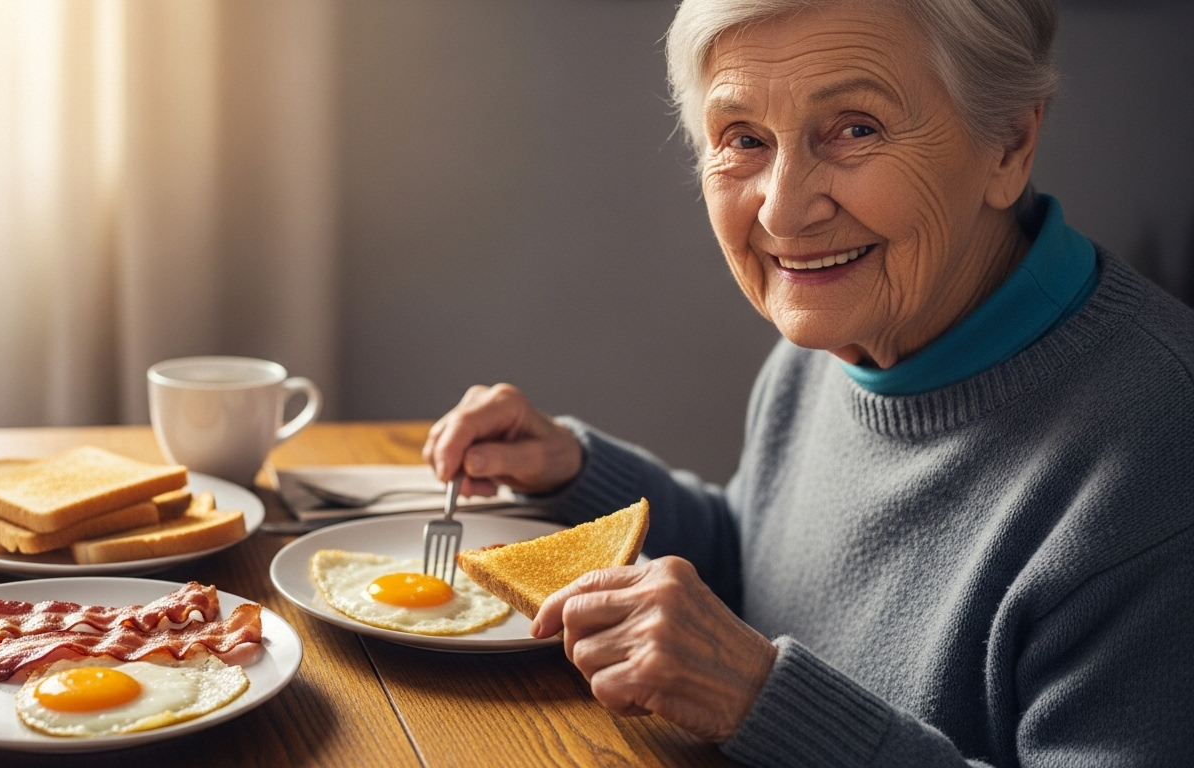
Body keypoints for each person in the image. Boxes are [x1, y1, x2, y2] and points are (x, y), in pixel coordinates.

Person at [422, 0, 1194, 765]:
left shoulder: (1162, 450)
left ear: (1009, 144)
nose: (786, 213)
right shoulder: (845, 318)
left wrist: (763, 701)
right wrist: (580, 478)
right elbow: (771, 568)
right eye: (743, 139)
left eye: (856, 129)